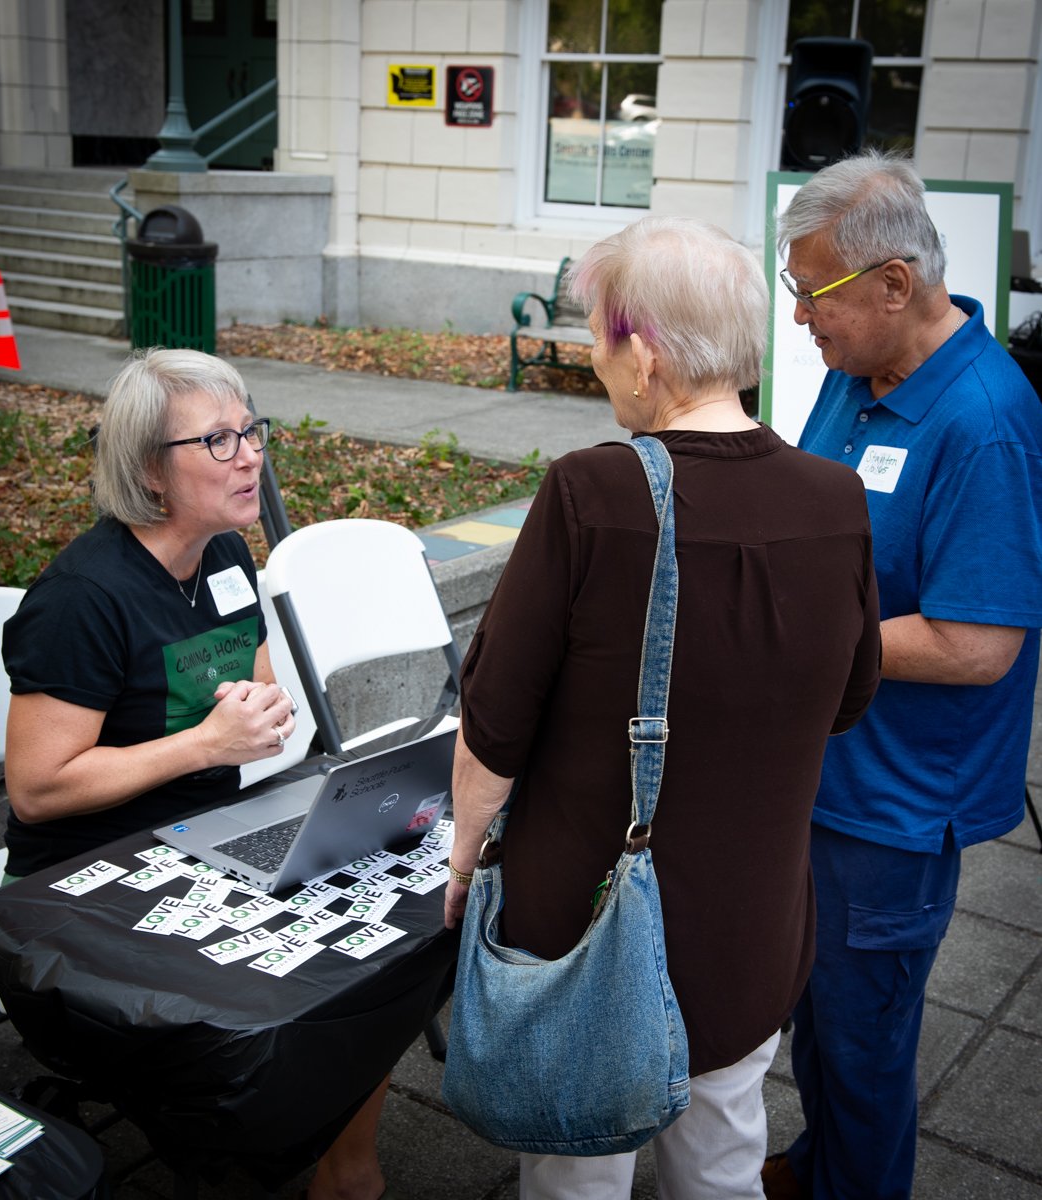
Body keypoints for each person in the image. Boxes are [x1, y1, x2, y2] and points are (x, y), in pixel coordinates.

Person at [442, 215, 882, 1200]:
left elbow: (494, 726)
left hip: (589, 929)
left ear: (643, 351)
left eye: (600, 336)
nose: (599, 361)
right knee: (723, 1166)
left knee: (576, 1178)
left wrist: (463, 862)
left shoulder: (592, 492)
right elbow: (849, 702)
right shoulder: (837, 498)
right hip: (752, 929)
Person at [1, 347, 389, 1200]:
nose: (251, 454)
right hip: (84, 880)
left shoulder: (219, 555)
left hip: (204, 835)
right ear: (149, 468)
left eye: (250, 429)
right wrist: (206, 746)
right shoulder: (81, 600)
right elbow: (36, 786)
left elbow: (245, 675)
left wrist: (263, 708)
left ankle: (344, 1166)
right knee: (298, 994)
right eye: (217, 440)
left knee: (384, 942)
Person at [765, 151, 1042, 1200]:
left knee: (865, 1035)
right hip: (827, 766)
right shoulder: (857, 372)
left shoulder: (986, 423)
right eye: (792, 290)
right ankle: (815, 1165)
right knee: (817, 1013)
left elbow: (981, 646)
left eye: (814, 293)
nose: (800, 320)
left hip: (894, 803)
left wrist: (798, 643)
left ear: (895, 284)